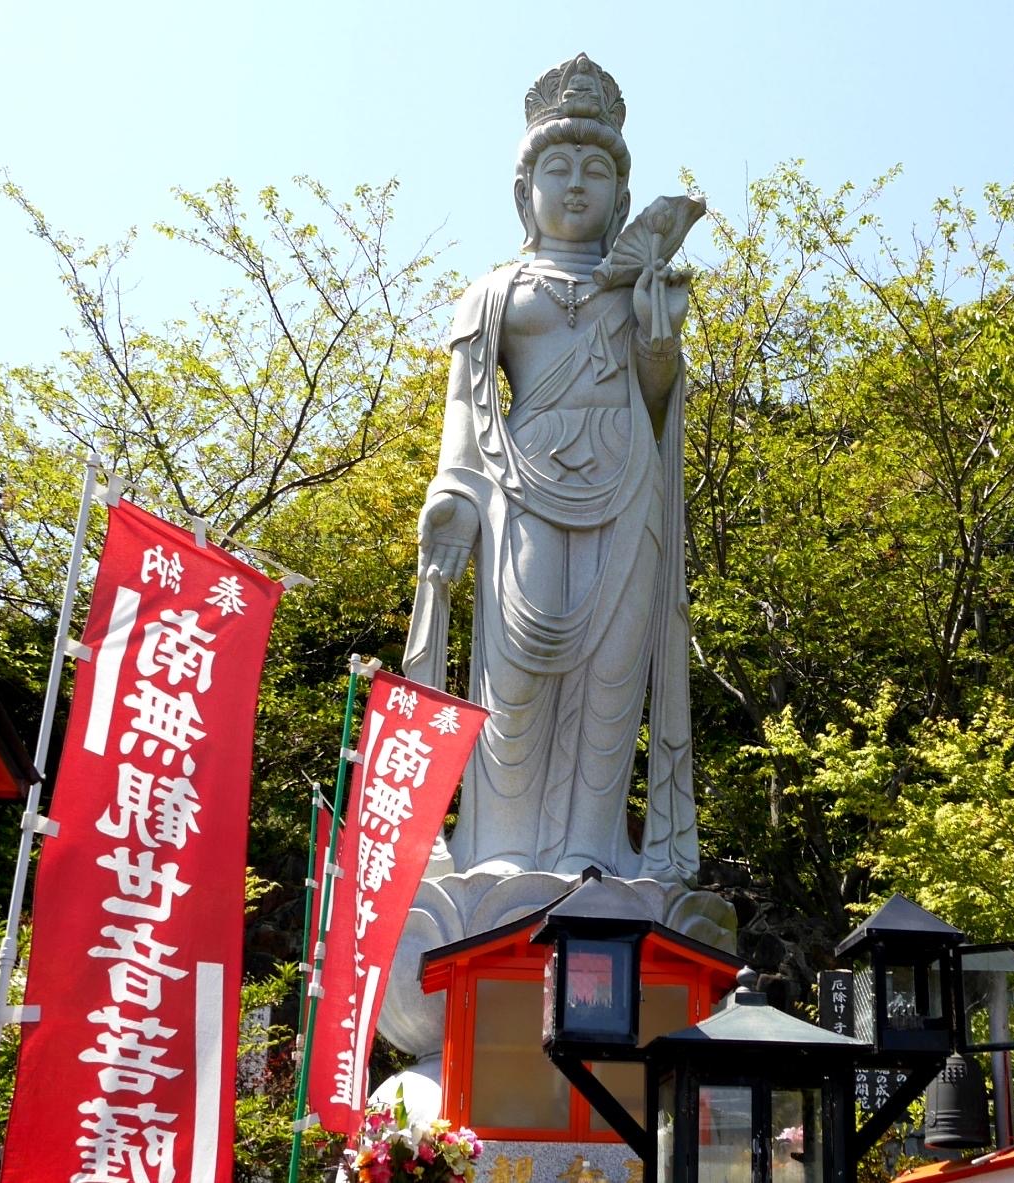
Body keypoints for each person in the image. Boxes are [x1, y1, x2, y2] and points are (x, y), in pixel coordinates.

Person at [404, 53, 697, 880]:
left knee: (611, 675)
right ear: (524, 189)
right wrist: (453, 493)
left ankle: (589, 852)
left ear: (623, 196)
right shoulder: (495, 292)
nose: (576, 187)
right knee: (520, 664)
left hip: (627, 483)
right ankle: (498, 846)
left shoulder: (648, 285)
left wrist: (655, 337)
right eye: (558, 169)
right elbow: (466, 403)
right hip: (519, 481)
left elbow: (655, 395)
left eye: (595, 171)